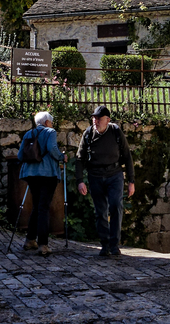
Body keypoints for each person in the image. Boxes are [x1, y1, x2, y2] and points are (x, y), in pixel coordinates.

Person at [76, 105, 134, 258]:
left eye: (99, 118)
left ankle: (114, 245)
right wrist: (80, 180)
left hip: (114, 174)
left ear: (107, 120)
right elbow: (80, 158)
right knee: (100, 211)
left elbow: (127, 156)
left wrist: (131, 181)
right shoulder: (88, 134)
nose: (96, 121)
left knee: (116, 205)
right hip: (95, 175)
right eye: (94, 118)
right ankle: (105, 245)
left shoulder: (115, 132)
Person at [19, 111, 65, 257]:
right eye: (51, 121)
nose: (52, 124)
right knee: (43, 207)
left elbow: (21, 155)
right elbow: (52, 149)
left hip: (31, 174)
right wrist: (61, 157)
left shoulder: (28, 134)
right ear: (46, 122)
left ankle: (30, 240)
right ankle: (43, 245)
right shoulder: (50, 132)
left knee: (37, 206)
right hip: (47, 174)